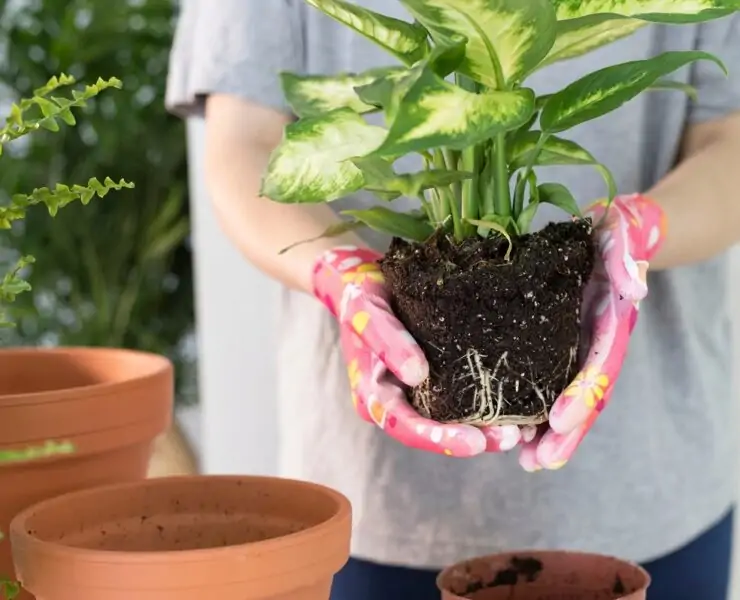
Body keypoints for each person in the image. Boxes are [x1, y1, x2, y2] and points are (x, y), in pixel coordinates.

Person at [166, 2, 740, 598]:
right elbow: (246, 147)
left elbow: (731, 141)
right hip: (373, 507)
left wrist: (640, 232)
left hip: (656, 487)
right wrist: (336, 273)